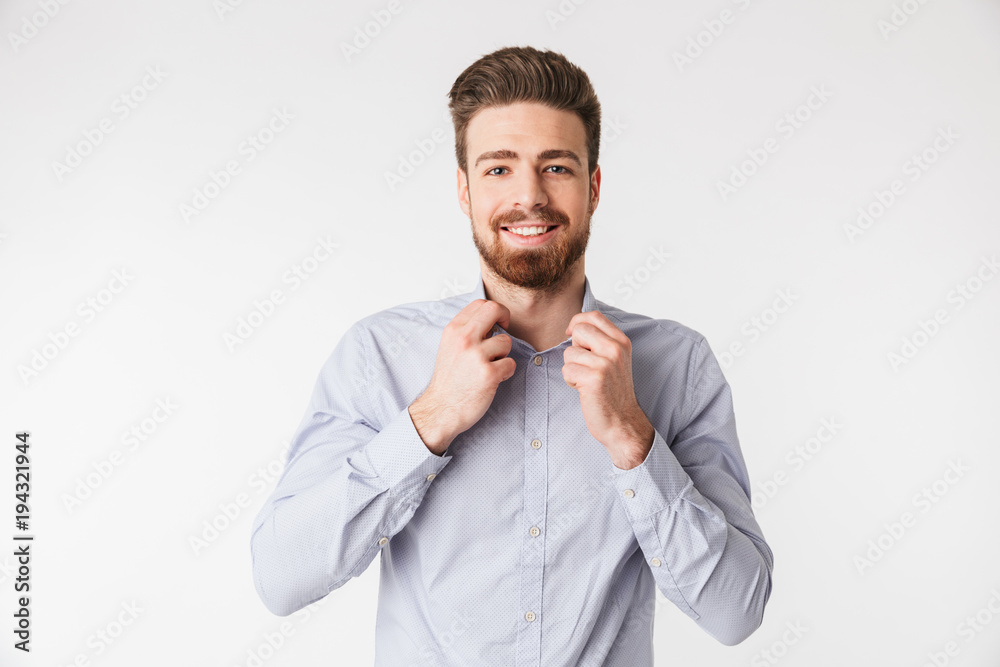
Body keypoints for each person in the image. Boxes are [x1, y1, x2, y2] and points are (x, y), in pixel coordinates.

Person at [250, 45, 773, 666]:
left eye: (556, 167)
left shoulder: (676, 364)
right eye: (499, 169)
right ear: (465, 191)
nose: (530, 196)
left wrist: (635, 443)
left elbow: (737, 612)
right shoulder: (378, 355)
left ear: (594, 187)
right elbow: (281, 577)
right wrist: (430, 420)